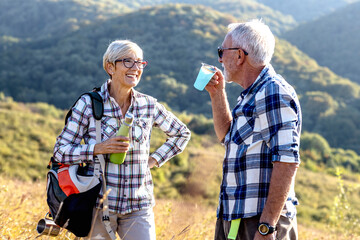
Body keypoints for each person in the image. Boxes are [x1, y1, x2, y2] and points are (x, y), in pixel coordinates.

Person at [53, 39, 191, 240]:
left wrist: (153, 160)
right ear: (110, 66)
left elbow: (182, 133)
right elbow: (60, 150)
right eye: (128, 61)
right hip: (98, 206)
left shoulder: (148, 105)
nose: (136, 68)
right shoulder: (88, 104)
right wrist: (98, 148)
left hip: (139, 206)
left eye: (140, 62)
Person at [204, 19, 302, 240]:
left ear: (239, 56)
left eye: (222, 52)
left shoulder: (272, 92)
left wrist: (267, 227)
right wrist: (217, 93)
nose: (219, 59)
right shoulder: (252, 94)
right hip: (236, 217)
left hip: (259, 222)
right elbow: (225, 137)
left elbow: (287, 160)